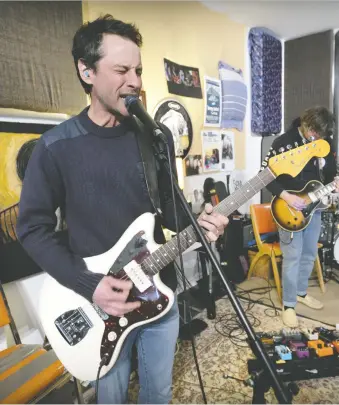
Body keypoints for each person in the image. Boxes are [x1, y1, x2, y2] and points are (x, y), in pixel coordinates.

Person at [16, 14, 229, 404]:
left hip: (158, 293)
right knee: (110, 398)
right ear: (87, 71)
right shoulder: (55, 147)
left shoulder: (154, 137)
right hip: (99, 301)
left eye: (138, 70)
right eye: (121, 70)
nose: (135, 81)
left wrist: (200, 224)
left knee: (158, 393)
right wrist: (89, 285)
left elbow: (171, 210)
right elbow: (32, 229)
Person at [263, 106, 339, 327]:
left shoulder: (324, 142)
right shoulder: (282, 142)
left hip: (314, 206)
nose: (316, 137)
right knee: (293, 257)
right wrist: (286, 196)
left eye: (321, 135)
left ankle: (301, 292)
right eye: (314, 132)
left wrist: (334, 185)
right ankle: (288, 305)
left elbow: (331, 172)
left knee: (308, 253)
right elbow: (266, 177)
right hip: (289, 208)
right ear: (306, 124)